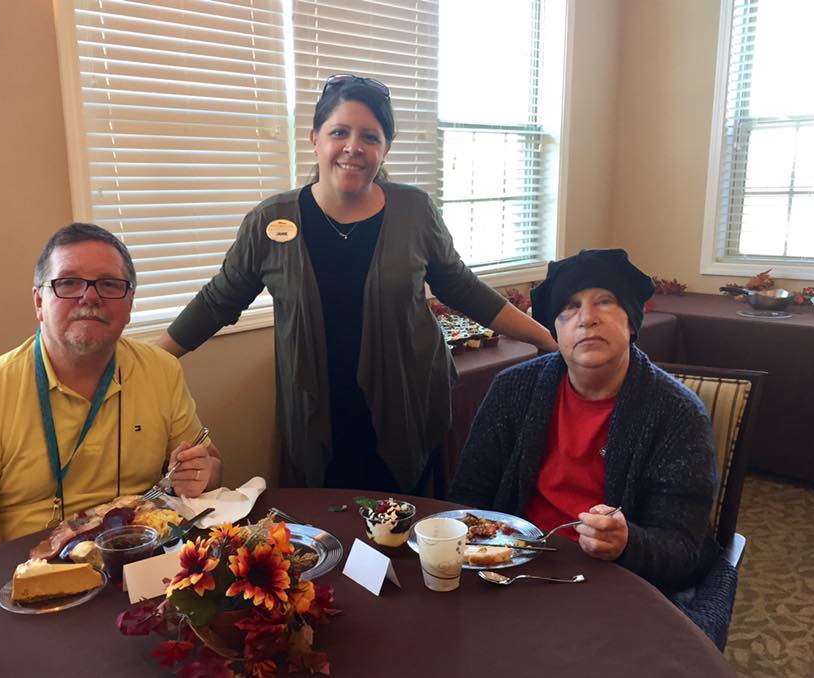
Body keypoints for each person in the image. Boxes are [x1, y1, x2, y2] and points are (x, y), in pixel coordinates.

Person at [155, 74, 557, 494]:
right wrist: (146, 362)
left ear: (385, 147)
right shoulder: (270, 220)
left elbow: (461, 287)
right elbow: (219, 300)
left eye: (370, 136)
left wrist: (546, 339)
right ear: (315, 138)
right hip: (317, 408)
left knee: (402, 528)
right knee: (326, 531)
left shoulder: (414, 211)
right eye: (339, 132)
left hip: (405, 404)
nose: (354, 147)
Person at [450, 248, 733, 641]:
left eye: (605, 301)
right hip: (512, 571)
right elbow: (468, 496)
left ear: (632, 321)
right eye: (569, 307)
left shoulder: (676, 414)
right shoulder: (513, 389)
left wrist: (627, 542)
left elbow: (683, 547)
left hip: (617, 583)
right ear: (556, 331)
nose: (587, 318)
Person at [0, 223, 221, 567]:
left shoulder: (161, 370)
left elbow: (213, 466)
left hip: (142, 565)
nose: (90, 296)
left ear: (129, 305)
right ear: (39, 301)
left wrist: (201, 473)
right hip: (33, 578)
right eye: (68, 283)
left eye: (109, 284)